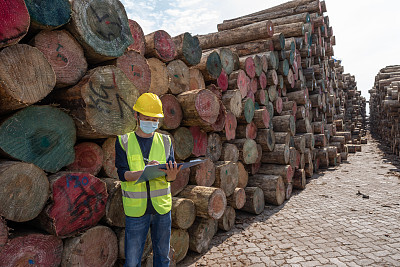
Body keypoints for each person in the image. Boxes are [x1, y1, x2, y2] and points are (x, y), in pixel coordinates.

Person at [115, 93, 181, 267]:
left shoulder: (166, 141)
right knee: (132, 261)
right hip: (136, 211)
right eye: (147, 118)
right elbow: (122, 174)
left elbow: (169, 174)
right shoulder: (124, 141)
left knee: (163, 258)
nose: (151, 122)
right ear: (136, 116)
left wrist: (172, 177)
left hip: (162, 209)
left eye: (155, 119)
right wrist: (143, 172)